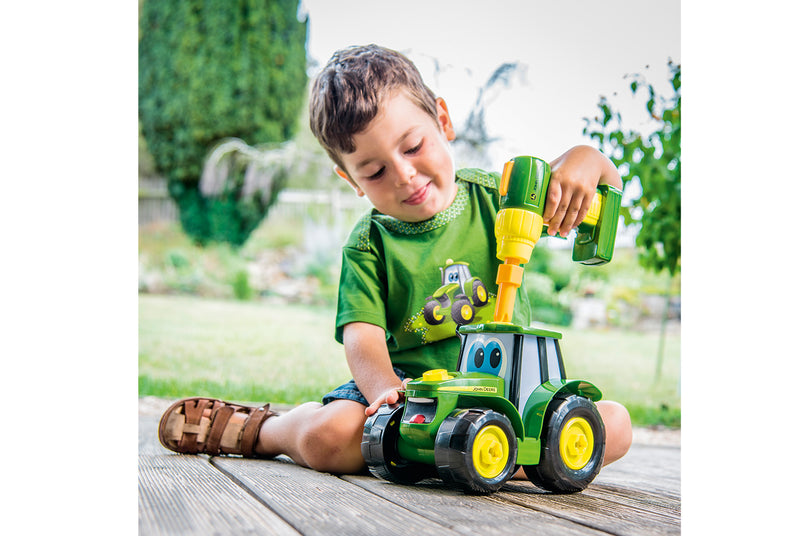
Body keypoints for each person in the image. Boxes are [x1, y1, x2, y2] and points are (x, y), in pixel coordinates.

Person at [158, 44, 632, 478]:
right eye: (376, 171)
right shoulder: (369, 243)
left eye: (412, 146)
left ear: (442, 120)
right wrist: (386, 389)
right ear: (352, 181)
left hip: (510, 392)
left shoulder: (503, 201)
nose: (405, 175)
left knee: (615, 424)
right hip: (412, 396)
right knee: (331, 439)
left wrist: (586, 159)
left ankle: (488, 459)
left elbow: (599, 186)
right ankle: (264, 431)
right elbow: (361, 335)